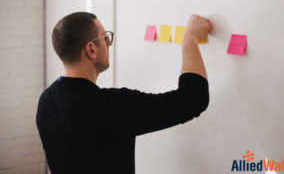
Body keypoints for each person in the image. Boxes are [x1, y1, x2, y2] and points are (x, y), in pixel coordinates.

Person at [36, 12, 212, 174]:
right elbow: (192, 99)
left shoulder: (46, 100)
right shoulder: (109, 105)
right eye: (105, 38)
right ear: (91, 49)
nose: (109, 43)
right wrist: (189, 39)